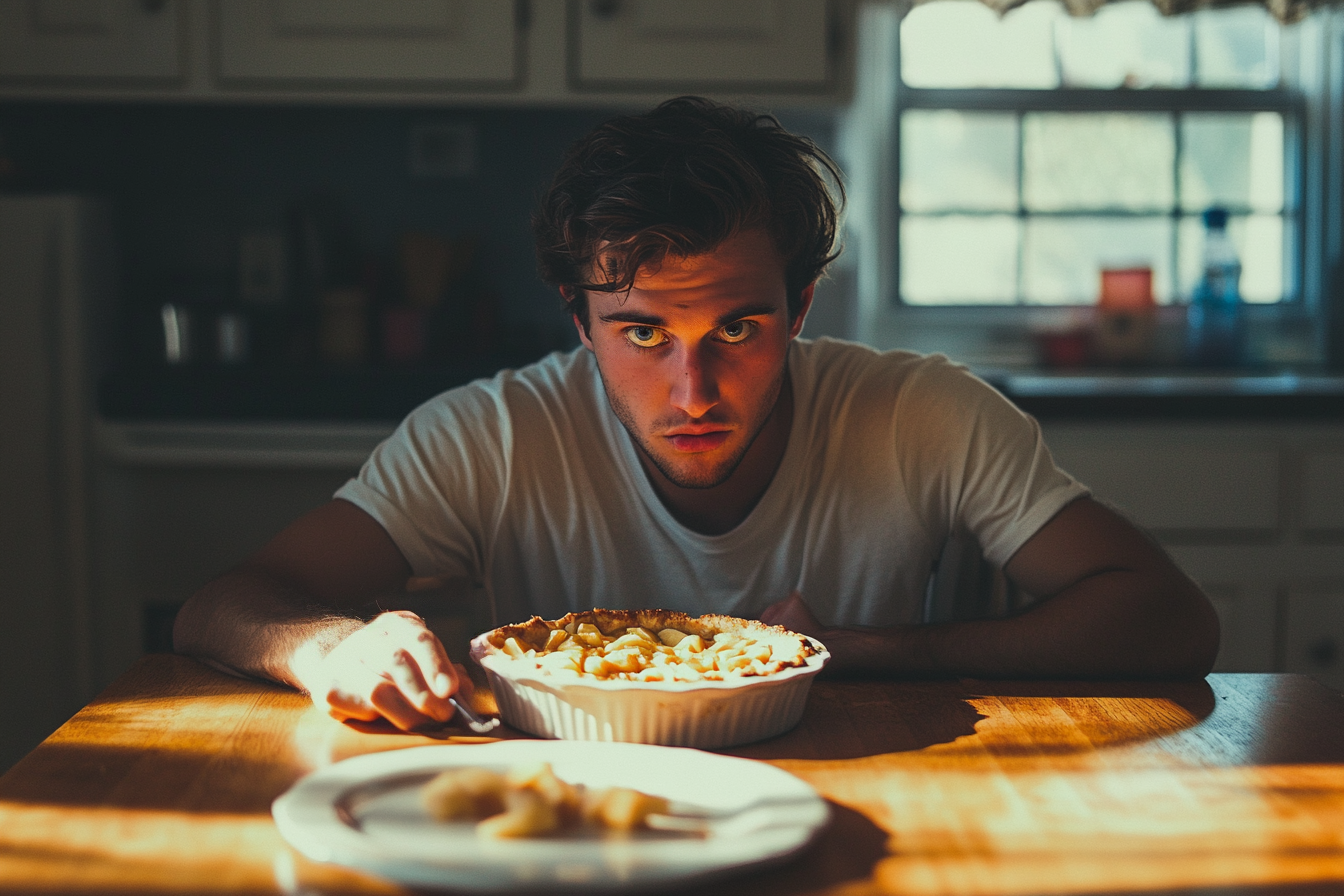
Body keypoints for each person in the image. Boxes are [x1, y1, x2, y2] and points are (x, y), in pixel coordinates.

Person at [174, 97, 1220, 732]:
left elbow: (1171, 616)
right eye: (641, 334)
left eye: (736, 328)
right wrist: (330, 651)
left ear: (800, 307)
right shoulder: (488, 436)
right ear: (579, 320)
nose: (693, 391)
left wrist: (881, 649)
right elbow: (226, 601)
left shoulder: (925, 414)